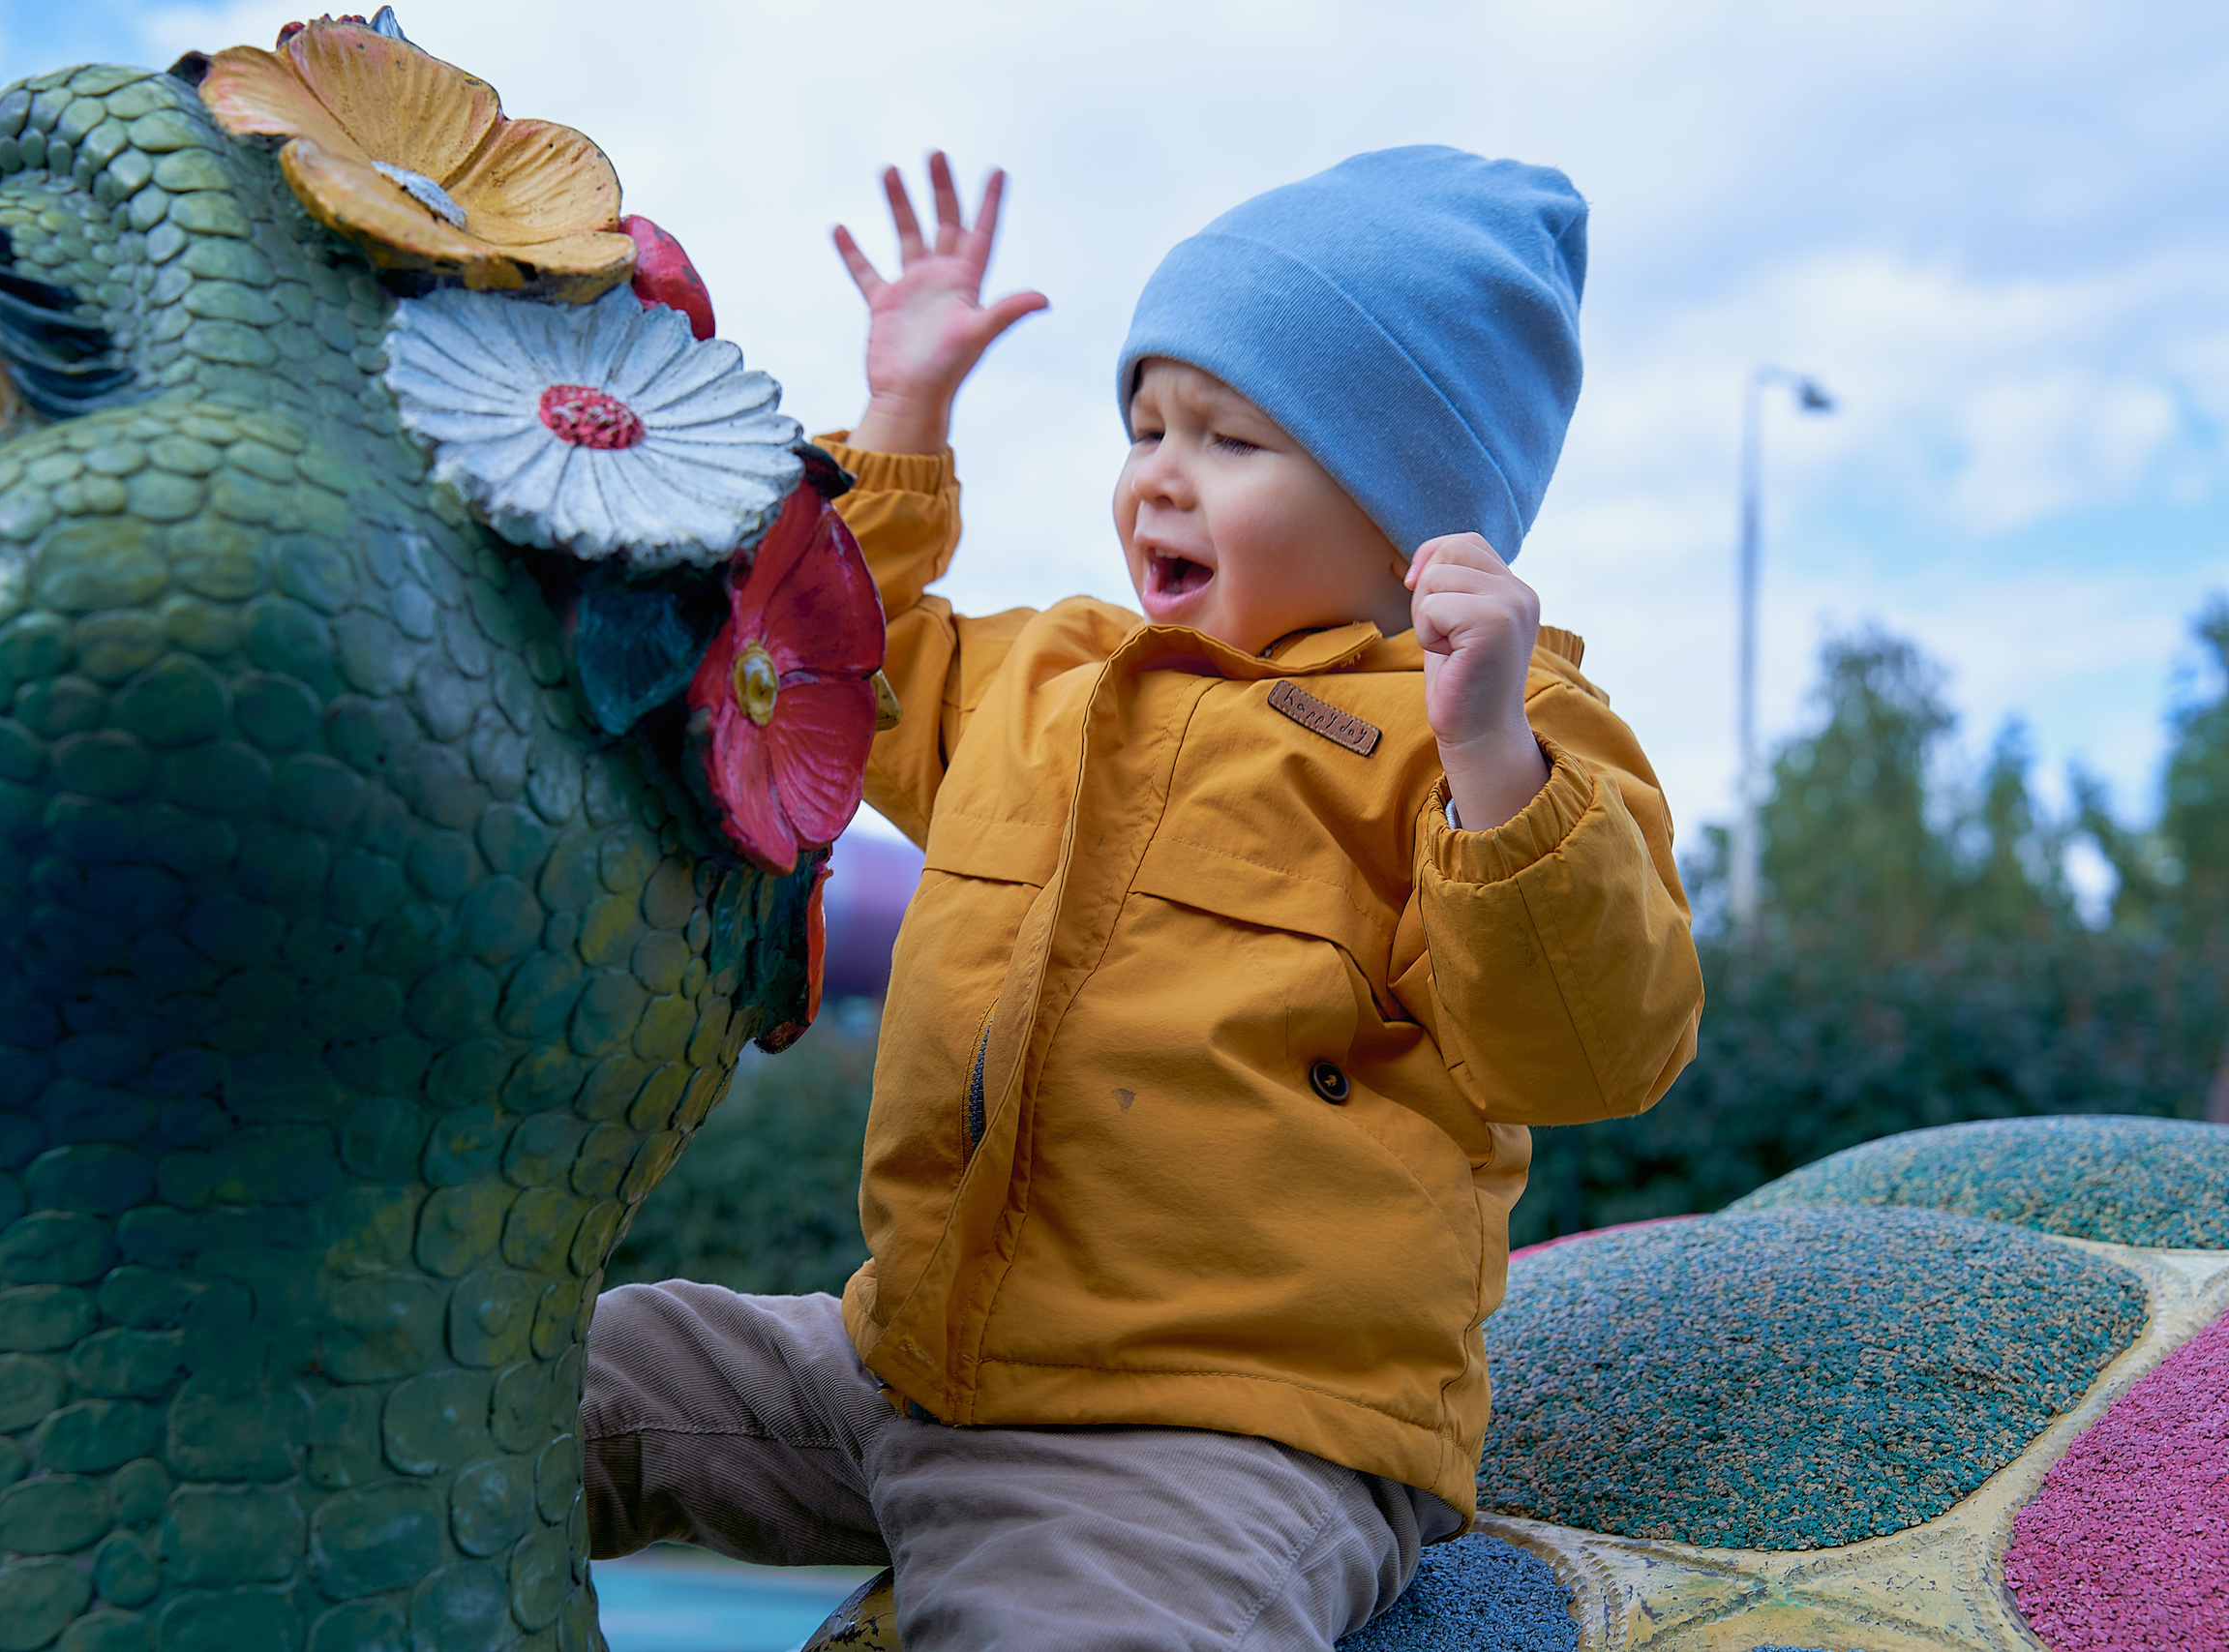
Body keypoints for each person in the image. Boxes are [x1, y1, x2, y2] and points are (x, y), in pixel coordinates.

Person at [583, 145, 1703, 1650]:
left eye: (1232, 439)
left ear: (1414, 522)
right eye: (1146, 424)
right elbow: (825, 655)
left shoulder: (1479, 740)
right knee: (540, 1387)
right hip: (905, 1363)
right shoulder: (1043, 676)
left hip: (1211, 1441)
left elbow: (1593, 1048)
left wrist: (1496, 753)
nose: (1159, 473)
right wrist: (907, 414)